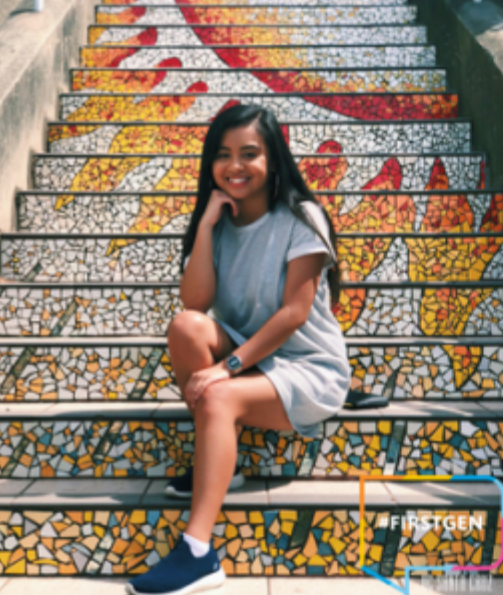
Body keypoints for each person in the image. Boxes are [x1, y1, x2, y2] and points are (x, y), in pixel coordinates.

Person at [126, 104, 351, 595]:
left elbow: (294, 313)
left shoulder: (301, 216)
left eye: (250, 154)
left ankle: (198, 554)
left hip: (307, 368)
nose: (235, 166)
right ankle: (219, 468)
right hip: (251, 357)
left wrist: (227, 369)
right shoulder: (221, 223)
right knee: (186, 327)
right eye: (223, 155)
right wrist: (206, 226)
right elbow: (196, 302)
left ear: (274, 159)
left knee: (218, 396)